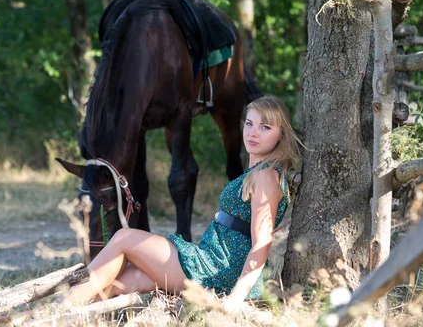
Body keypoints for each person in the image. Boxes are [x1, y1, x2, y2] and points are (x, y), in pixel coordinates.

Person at [61, 95, 300, 314]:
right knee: (124, 280)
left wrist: (236, 297)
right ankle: (70, 315)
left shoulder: (266, 176)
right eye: (249, 124)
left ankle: (56, 312)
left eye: (265, 127)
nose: (253, 133)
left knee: (124, 237)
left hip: (219, 270)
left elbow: (262, 243)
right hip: (212, 260)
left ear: (281, 134)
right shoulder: (257, 172)